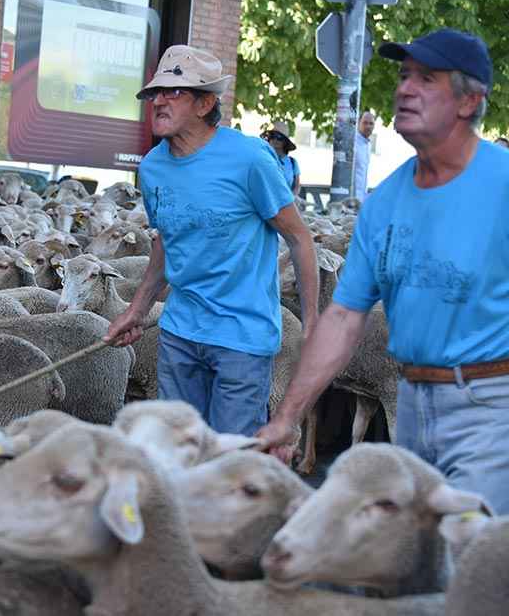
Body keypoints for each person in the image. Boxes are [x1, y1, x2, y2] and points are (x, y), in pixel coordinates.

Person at [256, 28, 509, 515]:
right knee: (416, 549)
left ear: (469, 101)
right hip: (413, 400)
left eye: (426, 79)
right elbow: (344, 318)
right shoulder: (385, 201)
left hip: (496, 403)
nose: (405, 89)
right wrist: (287, 415)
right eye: (404, 76)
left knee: (470, 543)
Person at [103, 45, 320, 436]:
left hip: (242, 338)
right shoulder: (152, 167)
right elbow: (166, 242)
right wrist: (137, 310)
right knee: (177, 448)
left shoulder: (249, 158)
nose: (159, 102)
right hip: (179, 333)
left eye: (174, 92)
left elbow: (299, 237)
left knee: (229, 457)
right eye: (156, 93)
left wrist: (311, 324)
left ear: (205, 104)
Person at [262, 123, 301, 195]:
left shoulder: (293, 162)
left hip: (287, 200)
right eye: (272, 136)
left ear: (285, 142)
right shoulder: (264, 159)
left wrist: (292, 197)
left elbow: (297, 186)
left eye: (279, 137)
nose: (274, 139)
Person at [354, 111, 375, 202]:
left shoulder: (368, 145)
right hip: (350, 199)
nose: (368, 126)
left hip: (361, 198)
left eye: (371, 123)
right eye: (365, 123)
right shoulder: (352, 142)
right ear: (358, 123)